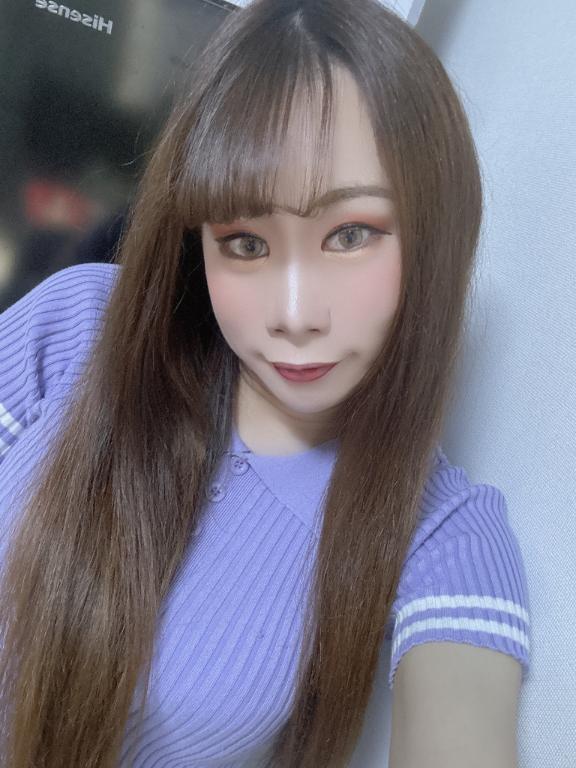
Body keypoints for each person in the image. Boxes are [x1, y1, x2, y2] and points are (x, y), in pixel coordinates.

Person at [0, 0, 531, 766]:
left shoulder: (439, 529)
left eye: (350, 234)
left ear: (433, 233)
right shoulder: (82, 327)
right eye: (245, 243)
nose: (293, 316)